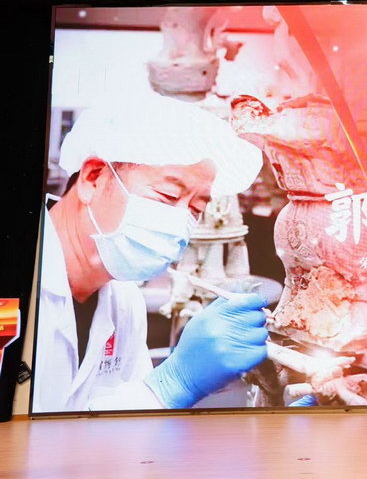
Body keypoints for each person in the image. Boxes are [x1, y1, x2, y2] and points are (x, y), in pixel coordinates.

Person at [33, 93, 268, 412]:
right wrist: (174, 383)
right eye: (167, 195)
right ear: (93, 178)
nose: (180, 223)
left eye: (195, 209)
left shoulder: (123, 300)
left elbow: (130, 427)